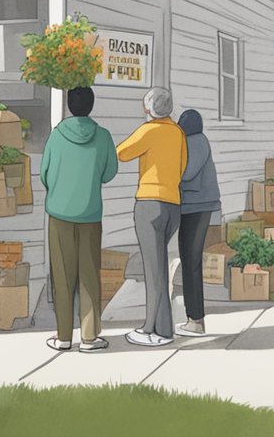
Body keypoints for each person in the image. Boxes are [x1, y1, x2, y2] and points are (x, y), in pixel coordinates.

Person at [40, 86, 118, 352]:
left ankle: (63, 337)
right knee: (88, 275)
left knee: (61, 276)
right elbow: (110, 173)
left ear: (69, 106)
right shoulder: (104, 136)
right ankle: (89, 337)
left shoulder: (56, 136)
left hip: (59, 214)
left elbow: (45, 175)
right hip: (90, 213)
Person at [116, 86, 187, 347]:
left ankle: (149, 329)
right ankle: (164, 328)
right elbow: (181, 167)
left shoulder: (149, 130)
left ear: (149, 109)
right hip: (173, 204)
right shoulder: (178, 133)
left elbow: (121, 153)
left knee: (153, 269)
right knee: (160, 266)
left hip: (149, 203)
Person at [175, 108, 220, 338]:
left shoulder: (195, 142)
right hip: (198, 206)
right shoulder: (200, 140)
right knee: (189, 260)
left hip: (195, 207)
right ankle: (194, 318)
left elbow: (187, 172)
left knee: (191, 261)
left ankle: (196, 320)